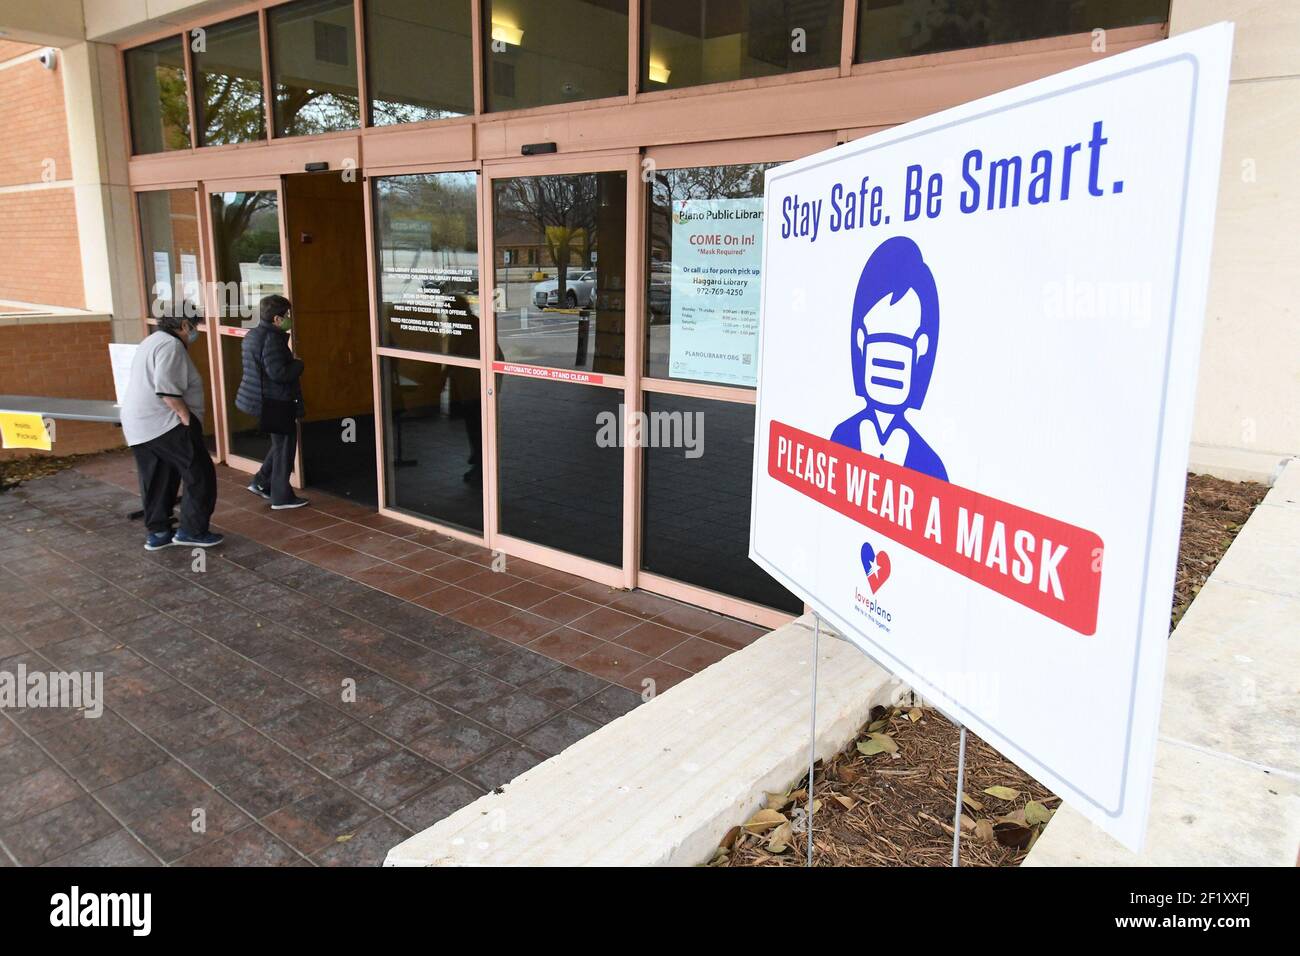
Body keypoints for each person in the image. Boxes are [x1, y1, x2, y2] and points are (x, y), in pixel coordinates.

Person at [830, 236, 947, 481]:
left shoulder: (930, 466)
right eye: (880, 336)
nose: (889, 356)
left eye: (903, 339)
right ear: (860, 339)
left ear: (922, 348)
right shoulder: (841, 437)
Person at [121, 314, 223, 550]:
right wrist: (186, 419)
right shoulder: (171, 345)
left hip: (140, 424)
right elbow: (166, 389)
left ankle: (159, 532)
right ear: (185, 325)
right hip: (165, 423)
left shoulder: (153, 340)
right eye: (194, 326)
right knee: (199, 473)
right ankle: (192, 531)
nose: (195, 331)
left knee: (157, 477)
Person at [236, 294, 309, 509]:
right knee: (285, 446)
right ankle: (281, 497)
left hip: (259, 398)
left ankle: (261, 481)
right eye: (287, 315)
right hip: (275, 401)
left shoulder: (254, 334)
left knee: (279, 444)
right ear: (277, 319)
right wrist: (298, 364)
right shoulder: (272, 340)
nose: (290, 319)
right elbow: (279, 373)